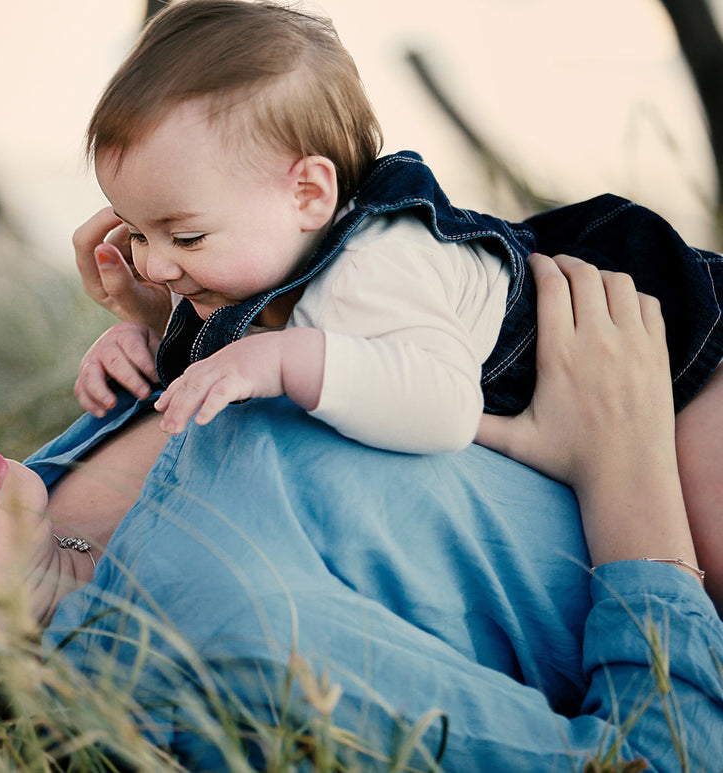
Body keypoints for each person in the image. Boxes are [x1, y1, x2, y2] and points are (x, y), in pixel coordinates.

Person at [0, 254, 720, 770]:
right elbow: (658, 757)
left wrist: (188, 309)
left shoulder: (40, 512)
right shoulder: (217, 637)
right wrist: (627, 463)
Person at [71, 0, 723, 604]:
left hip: (685, 356)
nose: (153, 263)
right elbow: (262, 334)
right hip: (610, 377)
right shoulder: (276, 255)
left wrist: (284, 359)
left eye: (184, 235)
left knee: (711, 544)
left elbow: (442, 405)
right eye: (135, 231)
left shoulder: (374, 269)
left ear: (308, 195)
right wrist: (154, 332)